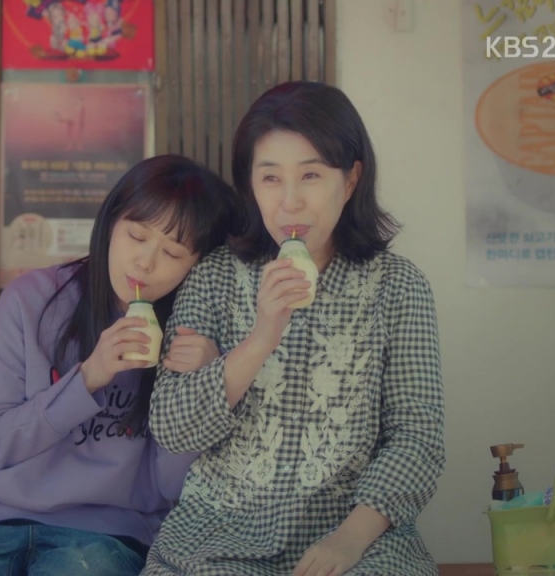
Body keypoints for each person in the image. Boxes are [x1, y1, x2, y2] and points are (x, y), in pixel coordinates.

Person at [143, 81, 446, 576]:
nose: (290, 203)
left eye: (310, 175)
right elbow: (174, 430)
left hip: (354, 534)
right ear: (250, 185)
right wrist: (260, 339)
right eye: (270, 178)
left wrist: (348, 541)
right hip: (221, 536)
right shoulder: (214, 276)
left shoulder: (398, 286)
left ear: (350, 180)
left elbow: (417, 439)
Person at [0, 154, 243, 576]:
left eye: (171, 252)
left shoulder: (192, 336)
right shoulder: (32, 300)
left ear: (197, 266)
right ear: (110, 224)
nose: (145, 262)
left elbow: (167, 486)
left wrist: (206, 387)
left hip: (103, 531)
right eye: (136, 235)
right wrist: (88, 378)